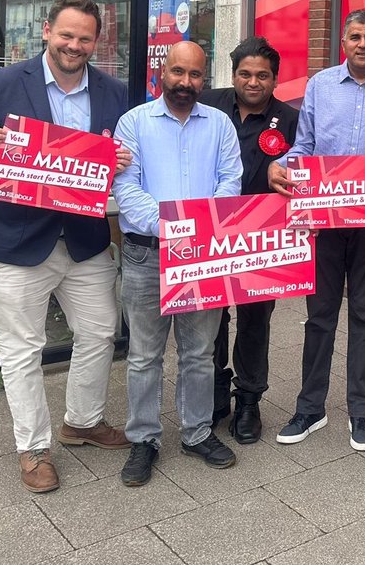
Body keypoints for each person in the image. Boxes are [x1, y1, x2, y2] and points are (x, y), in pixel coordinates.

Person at [0, 0, 132, 494]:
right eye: (67, 35)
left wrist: (121, 160)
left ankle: (82, 419)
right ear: (47, 30)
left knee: (99, 333)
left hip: (84, 240)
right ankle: (33, 448)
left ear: (97, 42)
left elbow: (123, 153)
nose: (75, 45)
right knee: (20, 350)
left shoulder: (115, 93)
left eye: (85, 38)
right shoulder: (4, 82)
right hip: (16, 238)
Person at [274, 9, 365, 452]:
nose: (362, 44)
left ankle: (361, 411)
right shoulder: (319, 86)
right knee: (319, 315)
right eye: (354, 36)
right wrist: (282, 166)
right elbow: (306, 145)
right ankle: (310, 407)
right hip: (325, 219)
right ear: (344, 41)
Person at [113, 41, 244, 487]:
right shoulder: (133, 123)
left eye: (195, 75)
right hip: (147, 252)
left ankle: (196, 432)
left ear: (204, 79)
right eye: (178, 73)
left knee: (199, 353)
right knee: (144, 355)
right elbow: (125, 190)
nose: (186, 83)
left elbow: (231, 181)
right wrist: (177, 228)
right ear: (161, 73)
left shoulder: (221, 125)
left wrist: (201, 230)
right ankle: (144, 440)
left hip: (204, 256)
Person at [199, 37, 299, 443]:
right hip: (212, 229)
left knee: (256, 320)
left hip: (263, 235)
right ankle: (216, 391)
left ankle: (249, 401)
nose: (253, 82)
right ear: (233, 73)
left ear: (275, 79)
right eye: (245, 73)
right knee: (211, 317)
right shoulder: (207, 104)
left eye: (263, 75)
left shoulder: (290, 119)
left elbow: (304, 163)